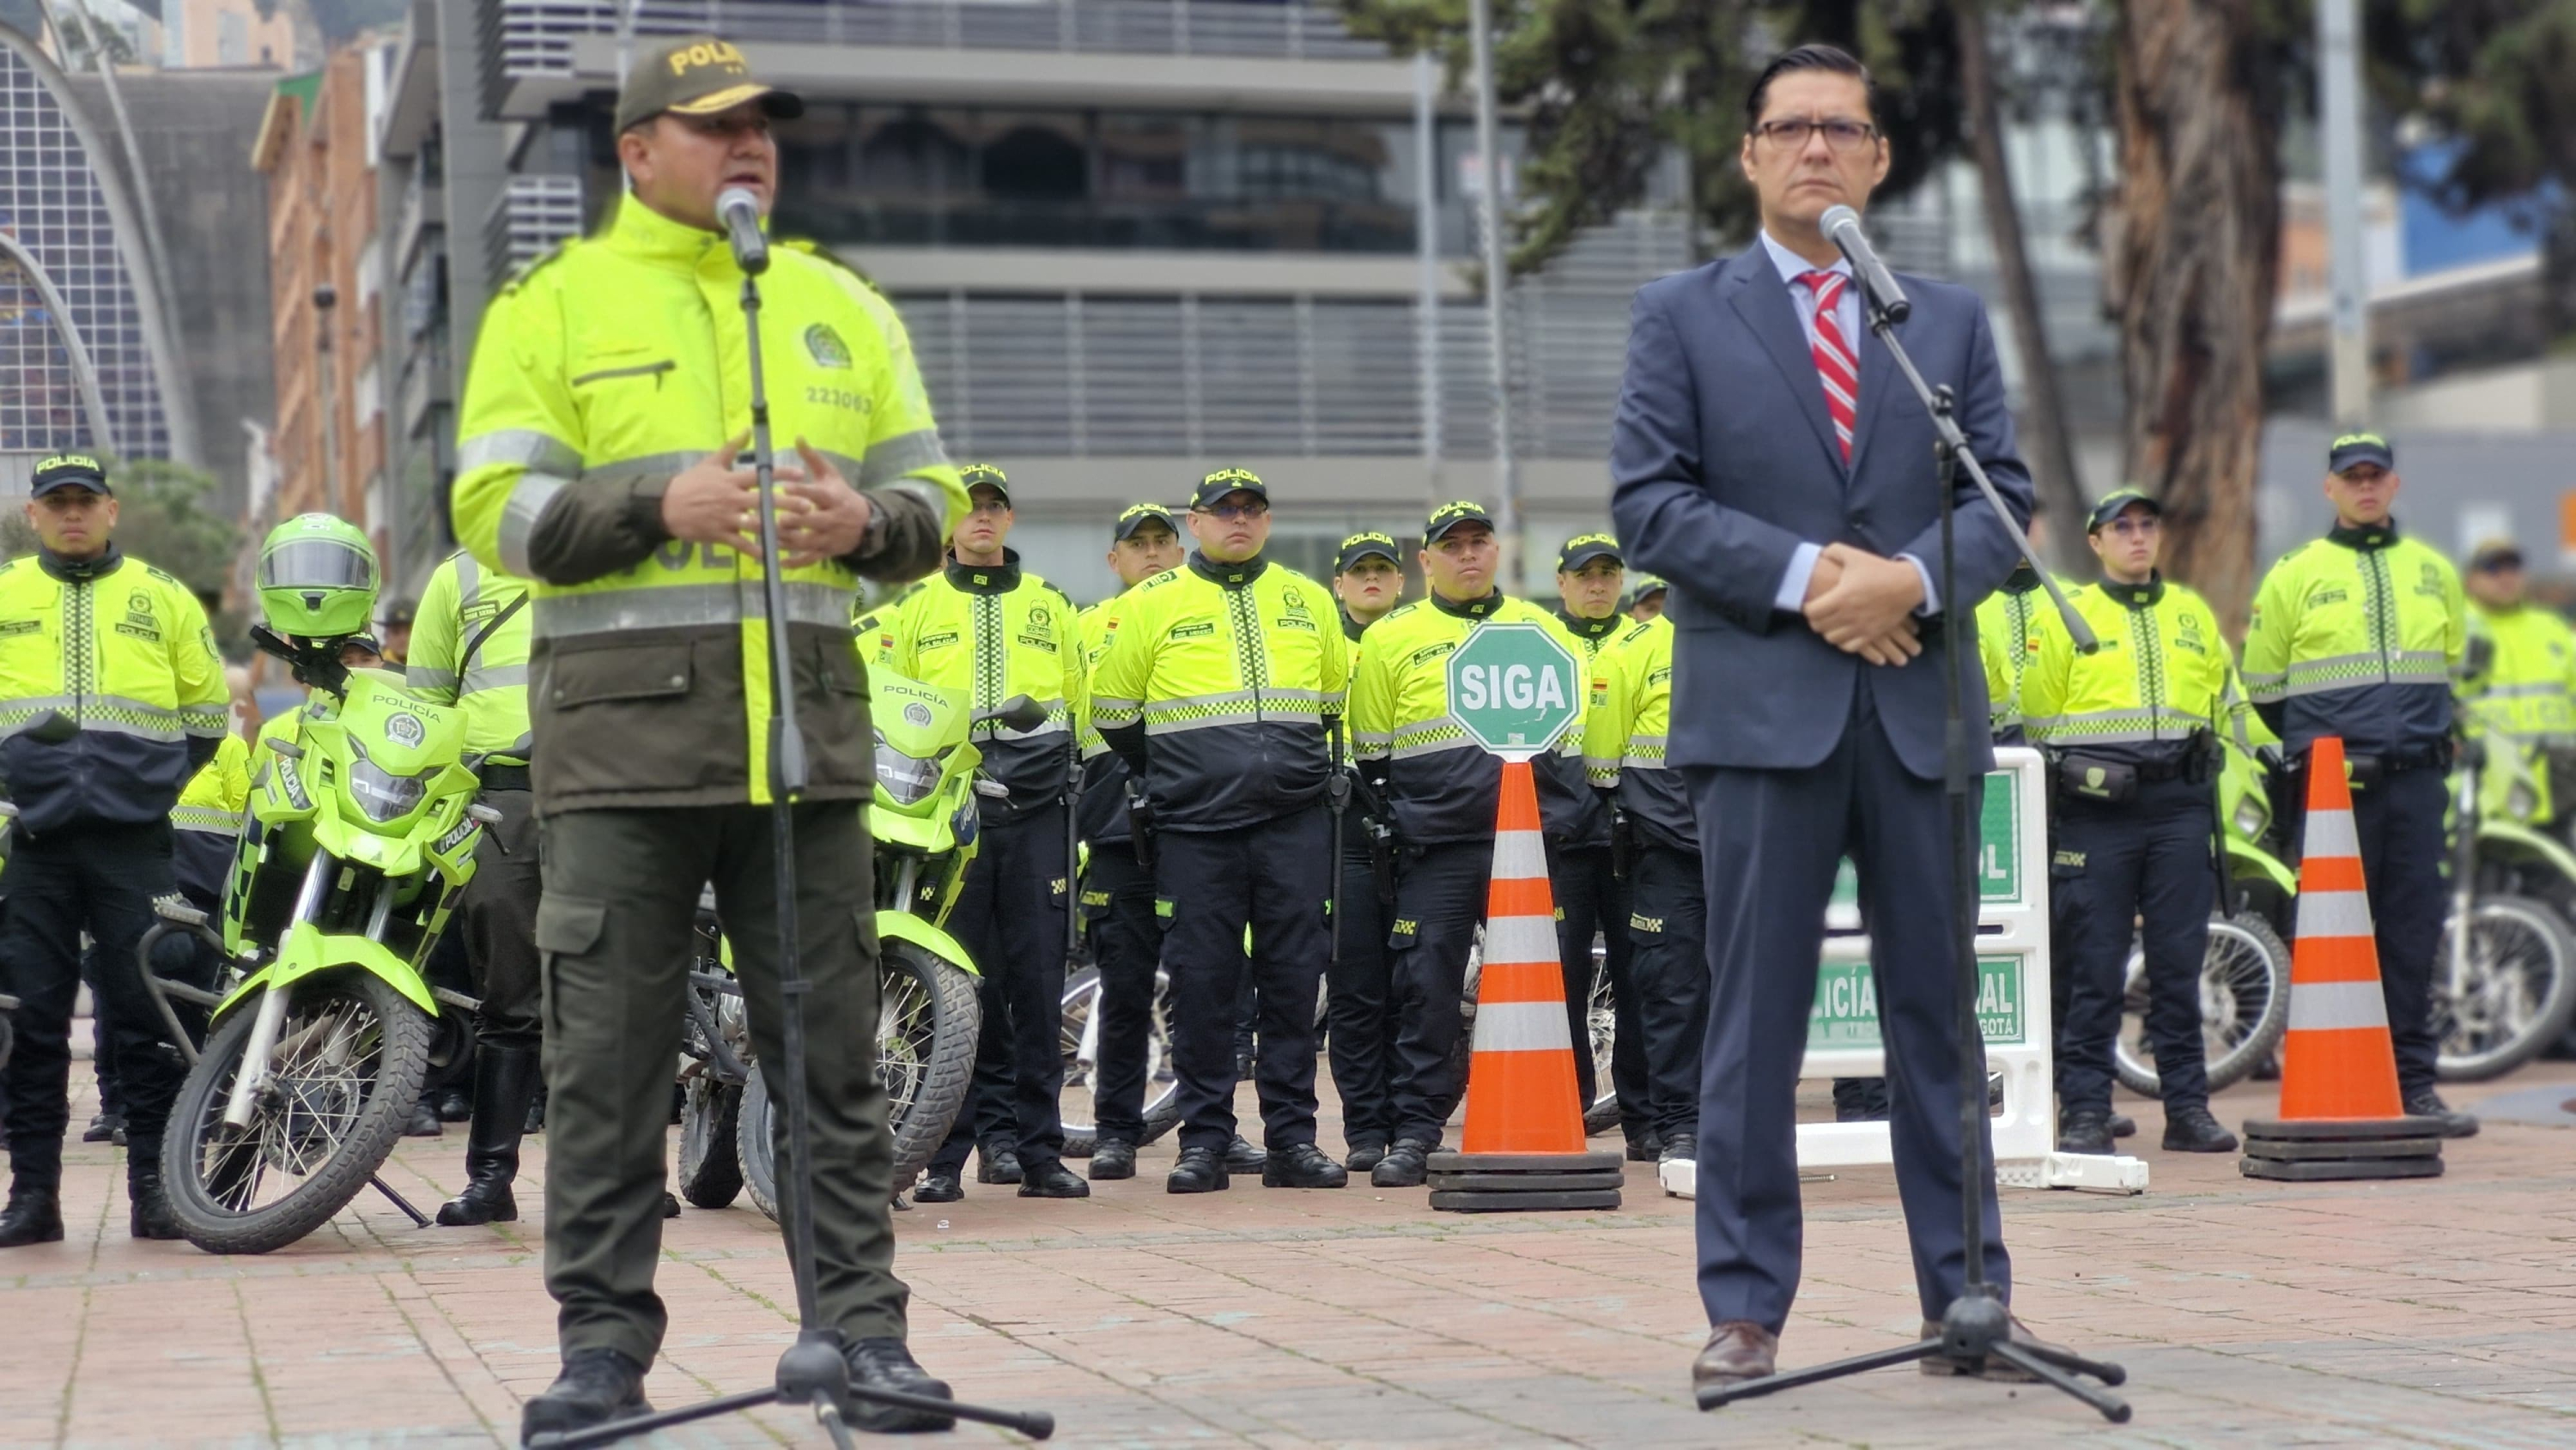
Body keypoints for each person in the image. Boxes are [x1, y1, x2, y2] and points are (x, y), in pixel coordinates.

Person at [449, 35, 969, 1440]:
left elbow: (930, 495)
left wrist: (868, 525)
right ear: (637, 151)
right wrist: (647, 500)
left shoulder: (837, 306)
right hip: (620, 756)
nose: (750, 146)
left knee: (833, 1062)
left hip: (806, 748)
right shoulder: (550, 307)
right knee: (607, 1069)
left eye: (763, 127)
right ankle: (603, 1352)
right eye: (714, 124)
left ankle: (864, 1333)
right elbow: (494, 512)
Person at [1610, 43, 2049, 1389]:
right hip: (1760, 714)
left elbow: (2000, 496)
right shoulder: (1682, 313)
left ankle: (1968, 1297)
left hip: (1919, 708)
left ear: (1878, 158)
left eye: (1842, 129)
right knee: (1757, 1018)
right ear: (1748, 156)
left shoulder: (1946, 320)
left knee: (1940, 1016)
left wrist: (1909, 579)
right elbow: (1652, 506)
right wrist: (1820, 586)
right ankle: (1744, 1310)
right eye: (1790, 127)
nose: (1817, 147)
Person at [1090, 467, 1351, 1194]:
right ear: (1194, 522)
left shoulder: (1305, 598)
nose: (1239, 519)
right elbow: (1114, 713)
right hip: (1196, 828)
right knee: (1204, 985)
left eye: (1252, 509)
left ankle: (1293, 1141)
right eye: (1223, 509)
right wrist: (1185, 771)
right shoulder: (1152, 602)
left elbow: (1331, 702)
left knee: (1295, 982)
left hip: (1294, 821)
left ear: (1267, 521)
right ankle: (1204, 1141)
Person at [0, 452, 229, 1247]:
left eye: (84, 501)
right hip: (36, 838)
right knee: (32, 1015)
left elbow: (207, 718)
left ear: (111, 510)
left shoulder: (162, 598)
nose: (71, 514)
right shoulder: (5, 593)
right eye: (56, 502)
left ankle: (155, 1196)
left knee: (144, 1014)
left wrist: (148, 786)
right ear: (33, 515)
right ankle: (33, 1197)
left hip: (135, 842)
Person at [1346, 501, 1592, 1189]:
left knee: (1552, 985)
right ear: (1426, 561)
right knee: (1425, 986)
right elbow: (1373, 753)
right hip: (1441, 846)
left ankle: (1559, 1118)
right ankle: (1417, 1131)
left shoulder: (1541, 629)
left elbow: (1571, 742)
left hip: (1531, 847)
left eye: (1479, 542)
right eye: (1451, 547)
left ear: (1498, 551)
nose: (1468, 555)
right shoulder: (1392, 638)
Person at [2244, 432, 2472, 1138]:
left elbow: (2453, 674)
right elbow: (2264, 687)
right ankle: (2325, 1077)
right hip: (2334, 791)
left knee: (2412, 933)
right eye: (2353, 477)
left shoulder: (2434, 570)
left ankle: (2414, 1081)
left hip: (2416, 782)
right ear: (2330, 488)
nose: (2365, 487)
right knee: (2327, 935)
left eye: (2376, 476)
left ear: (2394, 485)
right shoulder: (2295, 572)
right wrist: (2316, 757)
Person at [890, 465, 1091, 1204]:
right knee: (953, 986)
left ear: (1010, 519)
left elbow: (1084, 710)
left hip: (1037, 815)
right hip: (949, 822)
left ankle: (1039, 1152)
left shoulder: (1051, 605)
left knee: (1038, 986)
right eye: (969, 507)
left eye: (994, 505)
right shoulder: (914, 606)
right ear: (949, 523)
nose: (982, 517)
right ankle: (943, 1155)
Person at [2020, 490, 2240, 1156]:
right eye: (2123, 527)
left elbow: (2226, 701)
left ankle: (2188, 1109)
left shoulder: (2190, 612)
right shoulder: (2070, 613)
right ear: (2096, 541)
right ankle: (2086, 1110)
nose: (2138, 537)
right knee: (2094, 963)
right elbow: (2036, 713)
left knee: (2178, 965)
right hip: (2097, 812)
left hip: (2179, 804)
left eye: (2148, 525)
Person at [403, 548, 548, 1225]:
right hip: (501, 802)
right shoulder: (458, 575)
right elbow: (428, 704)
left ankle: (624, 1176)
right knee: (508, 995)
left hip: (608, 796)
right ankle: (491, 1177)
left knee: (612, 994)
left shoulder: (623, 552)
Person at [1073, 502, 1188, 1182]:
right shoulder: (1084, 627)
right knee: (1123, 986)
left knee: (1208, 985)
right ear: (1114, 560)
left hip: (1198, 818)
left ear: (1179, 550)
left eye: (1161, 542)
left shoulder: (1204, 614)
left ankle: (1212, 1129)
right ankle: (1116, 1131)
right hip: (1116, 824)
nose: (1151, 553)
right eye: (1135, 544)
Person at [1583, 611, 1706, 1165]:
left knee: (1745, 993)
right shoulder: (1631, 651)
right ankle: (1682, 1125)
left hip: (1750, 848)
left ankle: (1729, 1119)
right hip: (1669, 851)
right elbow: (1601, 765)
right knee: (1672, 992)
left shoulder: (1771, 635)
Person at [1546, 534, 1651, 1156]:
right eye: (1585, 574)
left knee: (1642, 977)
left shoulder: (1642, 642)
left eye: (1608, 573)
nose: (1597, 584)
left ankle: (1644, 1117)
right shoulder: (1539, 644)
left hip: (1635, 837)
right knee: (1559, 978)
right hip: (1562, 837)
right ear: (1562, 581)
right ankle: (1569, 1108)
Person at [1323, 531, 1406, 1170]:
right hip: (1344, 836)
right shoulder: (1326, 643)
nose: (1371, 579)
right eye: (1360, 571)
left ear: (1403, 581)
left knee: (1417, 986)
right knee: (1357, 991)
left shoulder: (1420, 640)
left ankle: (1410, 1120)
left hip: (1415, 830)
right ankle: (1365, 1129)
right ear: (1339, 583)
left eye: (1383, 569)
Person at [2459, 537, 2576, 822]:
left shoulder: (2552, 629)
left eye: (2513, 567)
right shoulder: (2456, 631)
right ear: (2471, 579)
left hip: (2556, 788)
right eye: (2493, 568)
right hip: (2481, 788)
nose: (2506, 576)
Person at [379, 599, 417, 667]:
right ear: (386, 636)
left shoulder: (431, 665)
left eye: (409, 631)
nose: (403, 638)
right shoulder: (376, 667)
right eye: (395, 632)